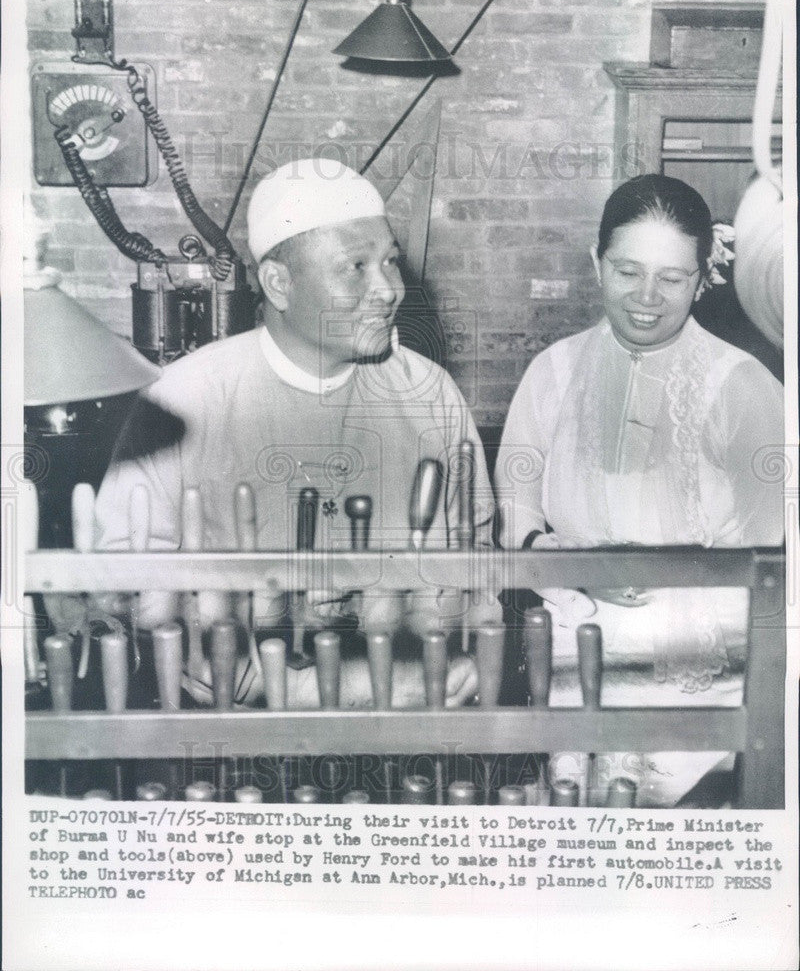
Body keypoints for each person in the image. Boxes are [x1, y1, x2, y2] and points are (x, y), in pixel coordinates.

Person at [91, 157, 498, 708]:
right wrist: (221, 647)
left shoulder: (429, 393)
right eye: (356, 267)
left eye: (391, 263)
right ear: (278, 283)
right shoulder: (180, 400)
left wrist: (471, 648)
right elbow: (120, 585)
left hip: (405, 712)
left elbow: (475, 560)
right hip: (235, 729)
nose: (388, 290)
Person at [494, 174, 784, 806]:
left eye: (672, 277)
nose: (647, 297)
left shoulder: (746, 387)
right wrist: (577, 564)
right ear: (595, 263)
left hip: (705, 695)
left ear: (704, 276)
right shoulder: (553, 373)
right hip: (576, 668)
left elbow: (776, 563)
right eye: (627, 270)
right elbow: (514, 514)